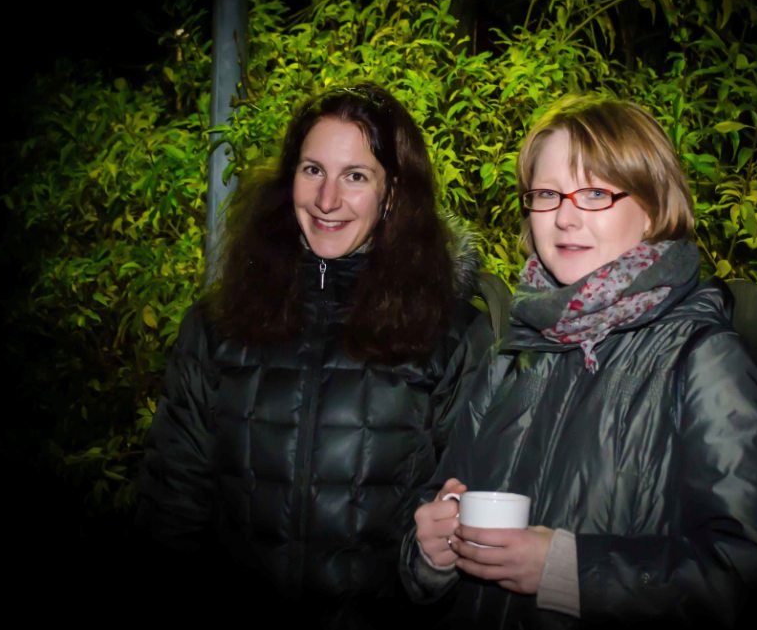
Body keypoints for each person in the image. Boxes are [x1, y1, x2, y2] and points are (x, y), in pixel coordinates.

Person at [401, 95, 757, 628]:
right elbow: (442, 501)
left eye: (595, 192)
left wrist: (571, 572)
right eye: (547, 194)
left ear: (653, 208)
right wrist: (430, 555)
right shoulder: (512, 359)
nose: (565, 217)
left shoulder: (704, 361)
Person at [137, 83, 493, 623]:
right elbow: (173, 501)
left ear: (392, 193)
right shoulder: (217, 324)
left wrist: (430, 570)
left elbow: (457, 522)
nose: (327, 200)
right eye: (312, 170)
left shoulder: (451, 335)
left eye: (356, 176)